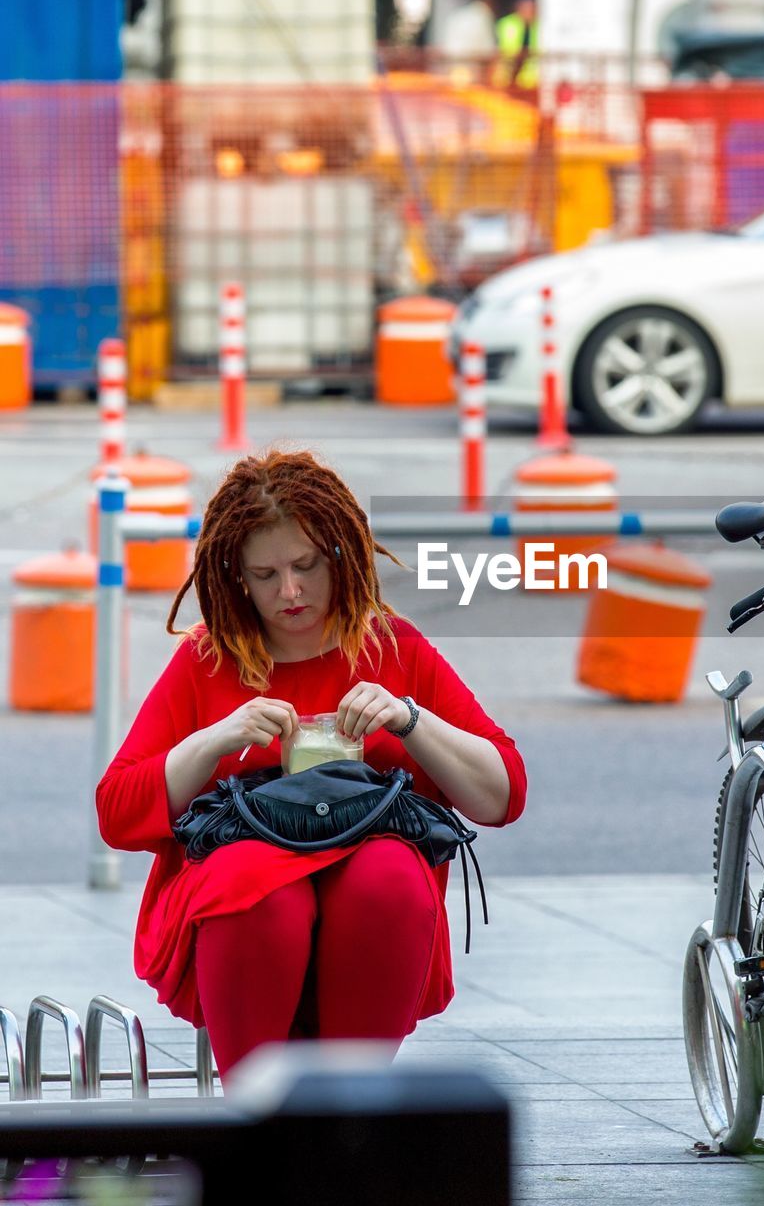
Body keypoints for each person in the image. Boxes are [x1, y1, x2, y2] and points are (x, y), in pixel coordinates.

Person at [96, 451, 527, 1081]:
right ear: (234, 576)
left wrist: (409, 719)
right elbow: (116, 811)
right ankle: (256, 1124)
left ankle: (351, 1120)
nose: (289, 592)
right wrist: (216, 738)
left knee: (388, 875)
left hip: (375, 891)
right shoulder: (207, 659)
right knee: (254, 886)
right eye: (265, 574)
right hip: (244, 897)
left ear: (340, 555)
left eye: (306, 566)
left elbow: (502, 794)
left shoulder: (391, 644)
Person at [495, 0, 538, 89]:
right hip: (506, 75)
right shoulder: (506, 23)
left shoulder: (539, 26)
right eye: (526, 7)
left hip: (530, 80)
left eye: (531, 7)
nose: (529, 11)